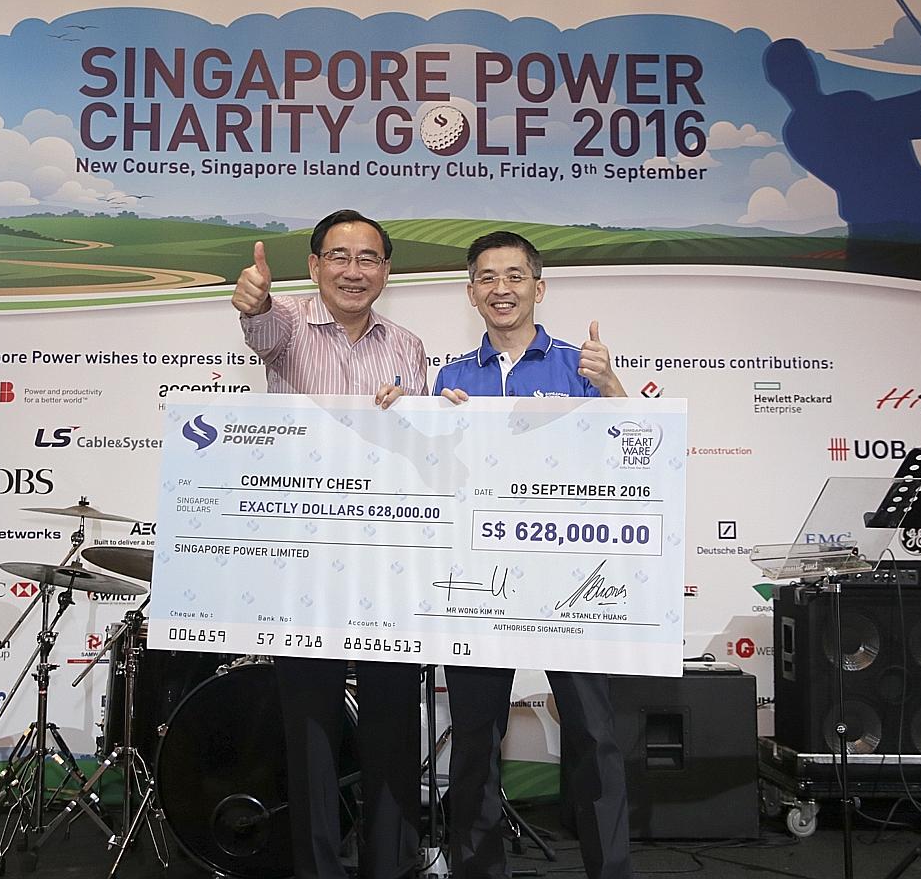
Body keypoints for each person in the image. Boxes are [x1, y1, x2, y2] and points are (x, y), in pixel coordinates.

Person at [232, 208, 427, 879]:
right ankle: (316, 868)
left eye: (367, 257)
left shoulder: (409, 345)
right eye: (338, 256)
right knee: (310, 729)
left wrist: (421, 419)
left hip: (386, 564)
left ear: (386, 271)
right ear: (314, 266)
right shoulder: (286, 325)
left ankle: (391, 864)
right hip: (303, 562)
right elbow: (258, 330)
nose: (353, 270)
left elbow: (424, 452)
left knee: (394, 722)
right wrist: (252, 302)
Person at [432, 231, 632, 879]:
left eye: (515, 276)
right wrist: (438, 430)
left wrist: (614, 389)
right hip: (481, 582)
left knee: (595, 737)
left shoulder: (581, 365)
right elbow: (437, 480)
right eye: (487, 277)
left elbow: (636, 451)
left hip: (567, 579)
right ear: (471, 293)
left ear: (538, 288)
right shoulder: (452, 377)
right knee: (474, 744)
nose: (501, 288)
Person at [763, 36, 921, 283]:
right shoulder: (804, 128)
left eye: (802, 64)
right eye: (790, 68)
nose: (800, 73)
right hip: (884, 233)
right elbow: (878, 119)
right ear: (775, 80)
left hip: (916, 226)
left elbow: (920, 125)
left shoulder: (837, 109)